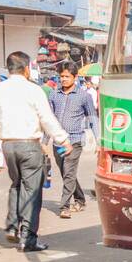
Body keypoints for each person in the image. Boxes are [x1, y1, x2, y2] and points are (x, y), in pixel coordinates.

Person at [0, 51, 70, 252]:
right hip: (29, 145)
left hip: (8, 146)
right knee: (32, 191)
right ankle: (28, 238)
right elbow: (46, 118)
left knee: (16, 184)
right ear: (25, 69)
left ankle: (13, 226)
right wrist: (63, 139)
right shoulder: (34, 90)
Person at [49, 60, 98, 218]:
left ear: (75, 77)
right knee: (66, 173)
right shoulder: (54, 95)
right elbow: (48, 120)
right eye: (61, 76)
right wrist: (43, 142)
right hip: (58, 142)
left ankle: (64, 206)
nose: (63, 79)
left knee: (69, 172)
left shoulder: (84, 96)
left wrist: (99, 141)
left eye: (67, 76)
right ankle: (80, 198)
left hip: (75, 141)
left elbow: (92, 118)